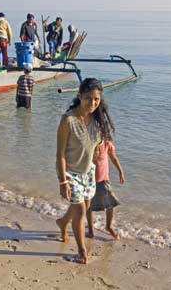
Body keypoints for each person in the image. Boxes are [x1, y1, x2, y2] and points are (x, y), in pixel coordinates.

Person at [55, 78, 114, 264]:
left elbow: (98, 143)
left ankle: (63, 222)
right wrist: (62, 181)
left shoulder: (97, 120)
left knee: (84, 207)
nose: (93, 103)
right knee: (80, 210)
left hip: (88, 172)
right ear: (79, 96)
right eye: (88, 98)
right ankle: (81, 252)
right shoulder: (68, 120)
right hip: (70, 173)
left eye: (96, 99)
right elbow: (60, 154)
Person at [86, 134, 125, 240]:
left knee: (111, 203)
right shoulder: (89, 144)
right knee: (89, 206)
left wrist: (120, 171)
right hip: (89, 180)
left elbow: (113, 158)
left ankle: (108, 226)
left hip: (104, 180)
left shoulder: (107, 144)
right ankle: (90, 230)